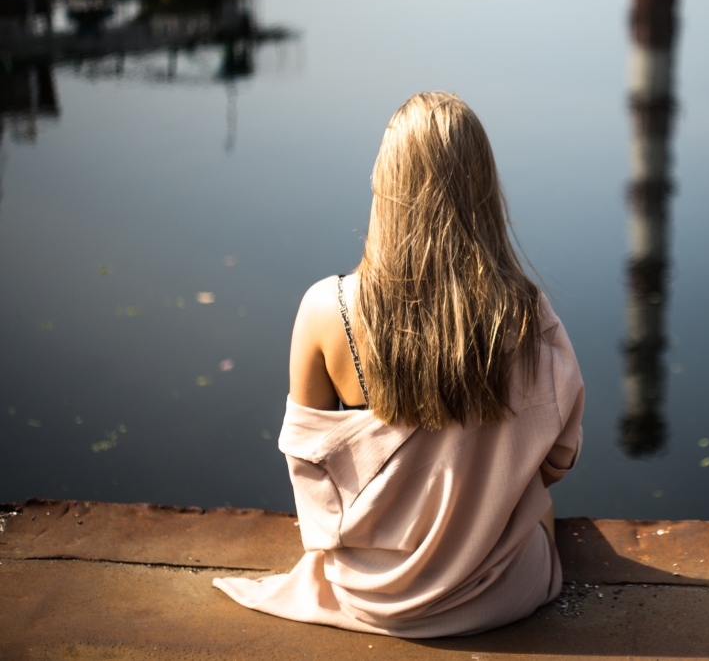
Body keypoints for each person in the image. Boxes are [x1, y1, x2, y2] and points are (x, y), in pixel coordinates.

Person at [213, 92, 585, 637]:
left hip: (368, 595)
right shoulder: (527, 315)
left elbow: (309, 472)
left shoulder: (326, 310)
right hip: (498, 590)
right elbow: (558, 459)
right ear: (484, 190)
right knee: (542, 516)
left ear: (384, 184)